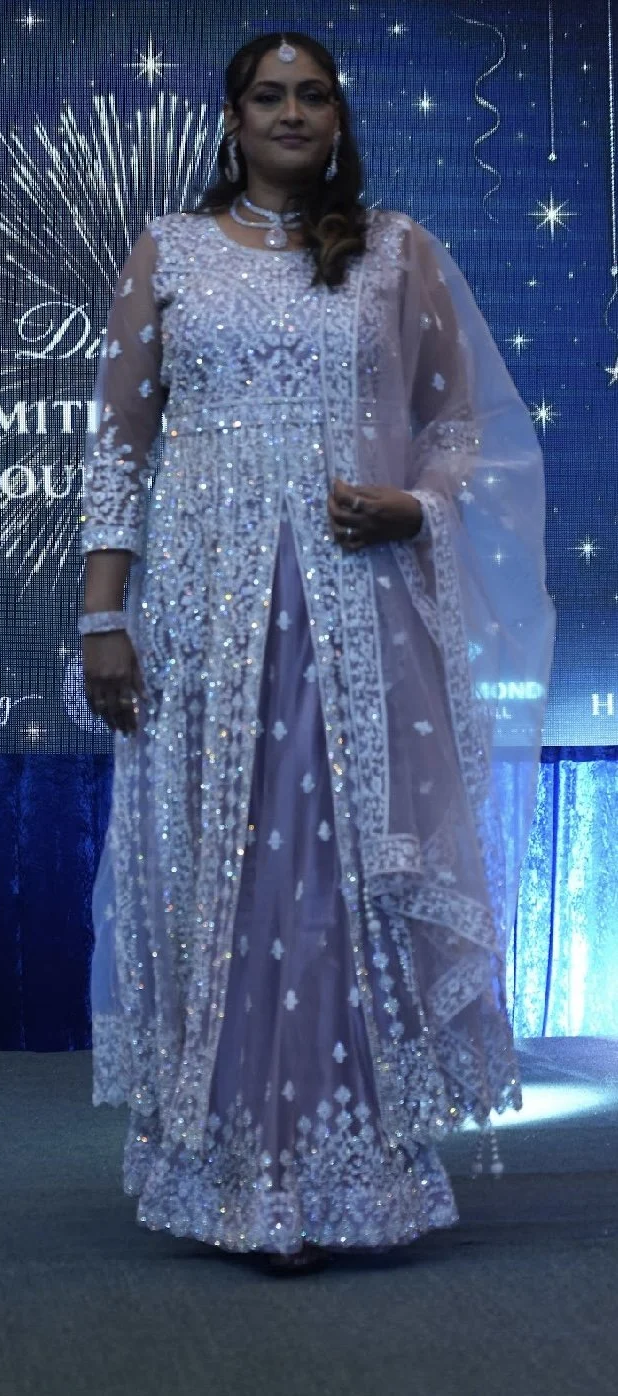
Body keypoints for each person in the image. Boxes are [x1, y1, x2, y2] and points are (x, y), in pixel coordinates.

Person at [79, 31, 555, 1274]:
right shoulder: (167, 253)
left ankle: (352, 1164)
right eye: (267, 96)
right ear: (231, 120)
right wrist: (102, 616)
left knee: (341, 871)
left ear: (339, 118)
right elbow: (117, 449)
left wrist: (416, 507)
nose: (291, 112)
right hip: (205, 615)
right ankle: (233, 1161)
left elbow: (460, 428)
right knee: (225, 869)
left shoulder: (395, 253)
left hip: (357, 616)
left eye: (313, 94)